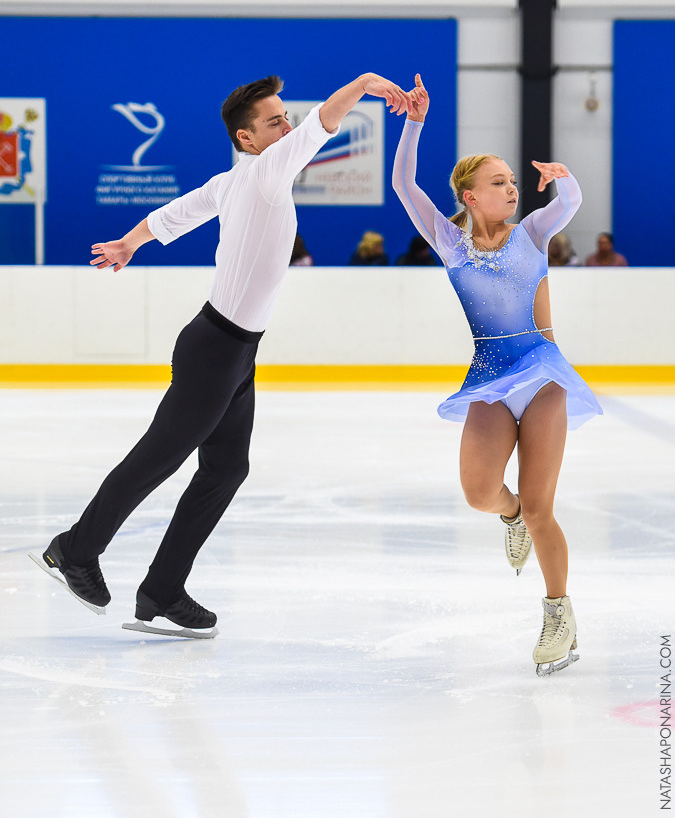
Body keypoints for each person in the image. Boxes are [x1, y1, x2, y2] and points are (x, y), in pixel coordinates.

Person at [29, 71, 416, 638]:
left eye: (286, 116)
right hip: (215, 350)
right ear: (248, 138)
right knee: (159, 458)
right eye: (275, 120)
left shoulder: (235, 181)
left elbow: (171, 216)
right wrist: (364, 84)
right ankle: (76, 550)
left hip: (233, 352)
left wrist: (127, 244)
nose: (287, 125)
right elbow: (324, 123)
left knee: (227, 468)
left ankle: (161, 590)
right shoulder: (265, 172)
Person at [392, 74, 602, 676]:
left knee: (543, 507)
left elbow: (569, 205)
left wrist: (565, 177)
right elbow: (403, 182)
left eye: (513, 182)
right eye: (498, 183)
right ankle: (508, 516)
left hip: (540, 373)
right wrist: (414, 122)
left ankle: (559, 613)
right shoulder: (448, 241)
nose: (511, 190)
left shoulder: (532, 233)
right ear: (469, 195)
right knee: (481, 492)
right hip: (489, 375)